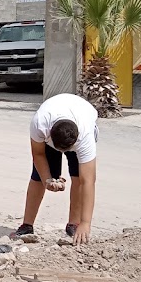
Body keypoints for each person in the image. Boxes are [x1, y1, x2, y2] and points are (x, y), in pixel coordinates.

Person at [12, 93, 98, 245]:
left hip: (81, 119)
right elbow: (38, 154)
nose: (63, 153)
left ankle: (74, 224)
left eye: (67, 149)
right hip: (53, 128)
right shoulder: (40, 124)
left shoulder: (85, 137)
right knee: (37, 177)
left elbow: (88, 182)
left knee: (78, 178)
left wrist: (86, 223)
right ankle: (27, 225)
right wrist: (47, 179)